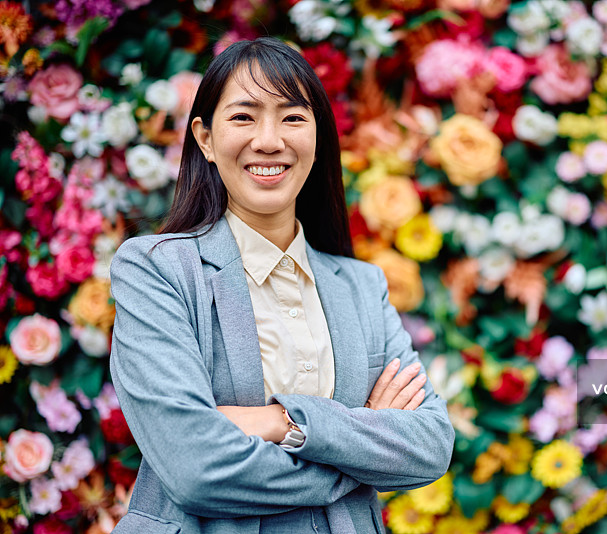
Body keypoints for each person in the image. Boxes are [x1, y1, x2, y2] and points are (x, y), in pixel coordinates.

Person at [109, 37, 454, 534]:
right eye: (243, 117)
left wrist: (282, 422)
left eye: (292, 117)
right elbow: (195, 468)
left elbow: (430, 445)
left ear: (318, 136)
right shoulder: (157, 271)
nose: (269, 141)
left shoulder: (361, 286)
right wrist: (359, 449)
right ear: (205, 139)